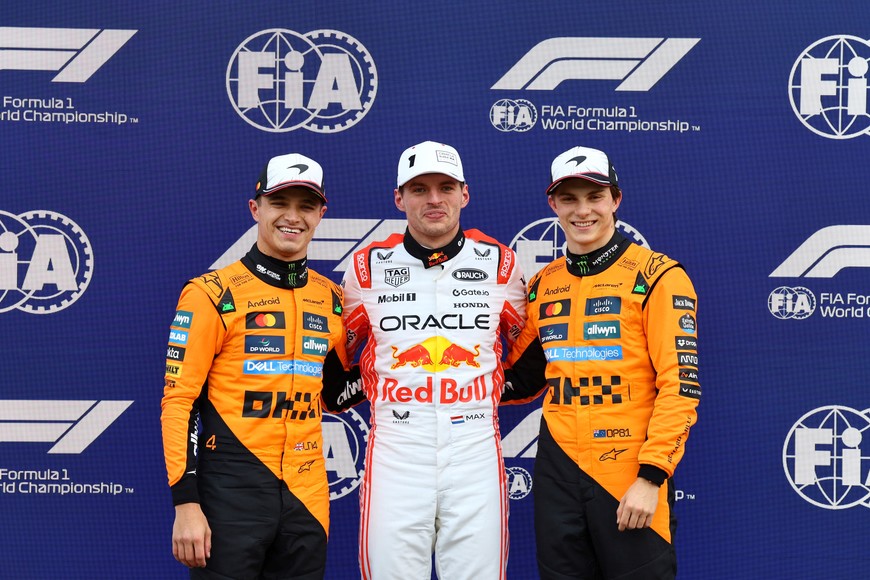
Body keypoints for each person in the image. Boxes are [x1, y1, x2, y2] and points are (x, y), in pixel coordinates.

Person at [502, 146, 700, 579]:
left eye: (595, 196)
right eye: (570, 198)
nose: (583, 210)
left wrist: (651, 479)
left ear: (615, 199)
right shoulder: (542, 285)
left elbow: (680, 384)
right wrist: (441, 372)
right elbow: (522, 379)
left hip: (628, 473)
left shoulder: (658, 276)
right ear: (553, 204)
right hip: (558, 474)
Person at [338, 141, 527, 579]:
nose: (434, 199)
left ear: (465, 194)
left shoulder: (501, 264)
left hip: (475, 448)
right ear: (399, 198)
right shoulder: (366, 267)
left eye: (445, 187)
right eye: (419, 189)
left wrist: (484, 391)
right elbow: (334, 357)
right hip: (397, 450)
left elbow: (530, 356)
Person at [161, 153, 354, 579]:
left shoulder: (332, 297)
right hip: (230, 489)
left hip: (307, 492)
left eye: (306, 205)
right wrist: (186, 503)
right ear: (256, 209)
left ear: (321, 213)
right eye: (279, 203)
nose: (293, 217)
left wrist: (397, 369)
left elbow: (336, 393)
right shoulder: (211, 293)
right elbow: (180, 402)